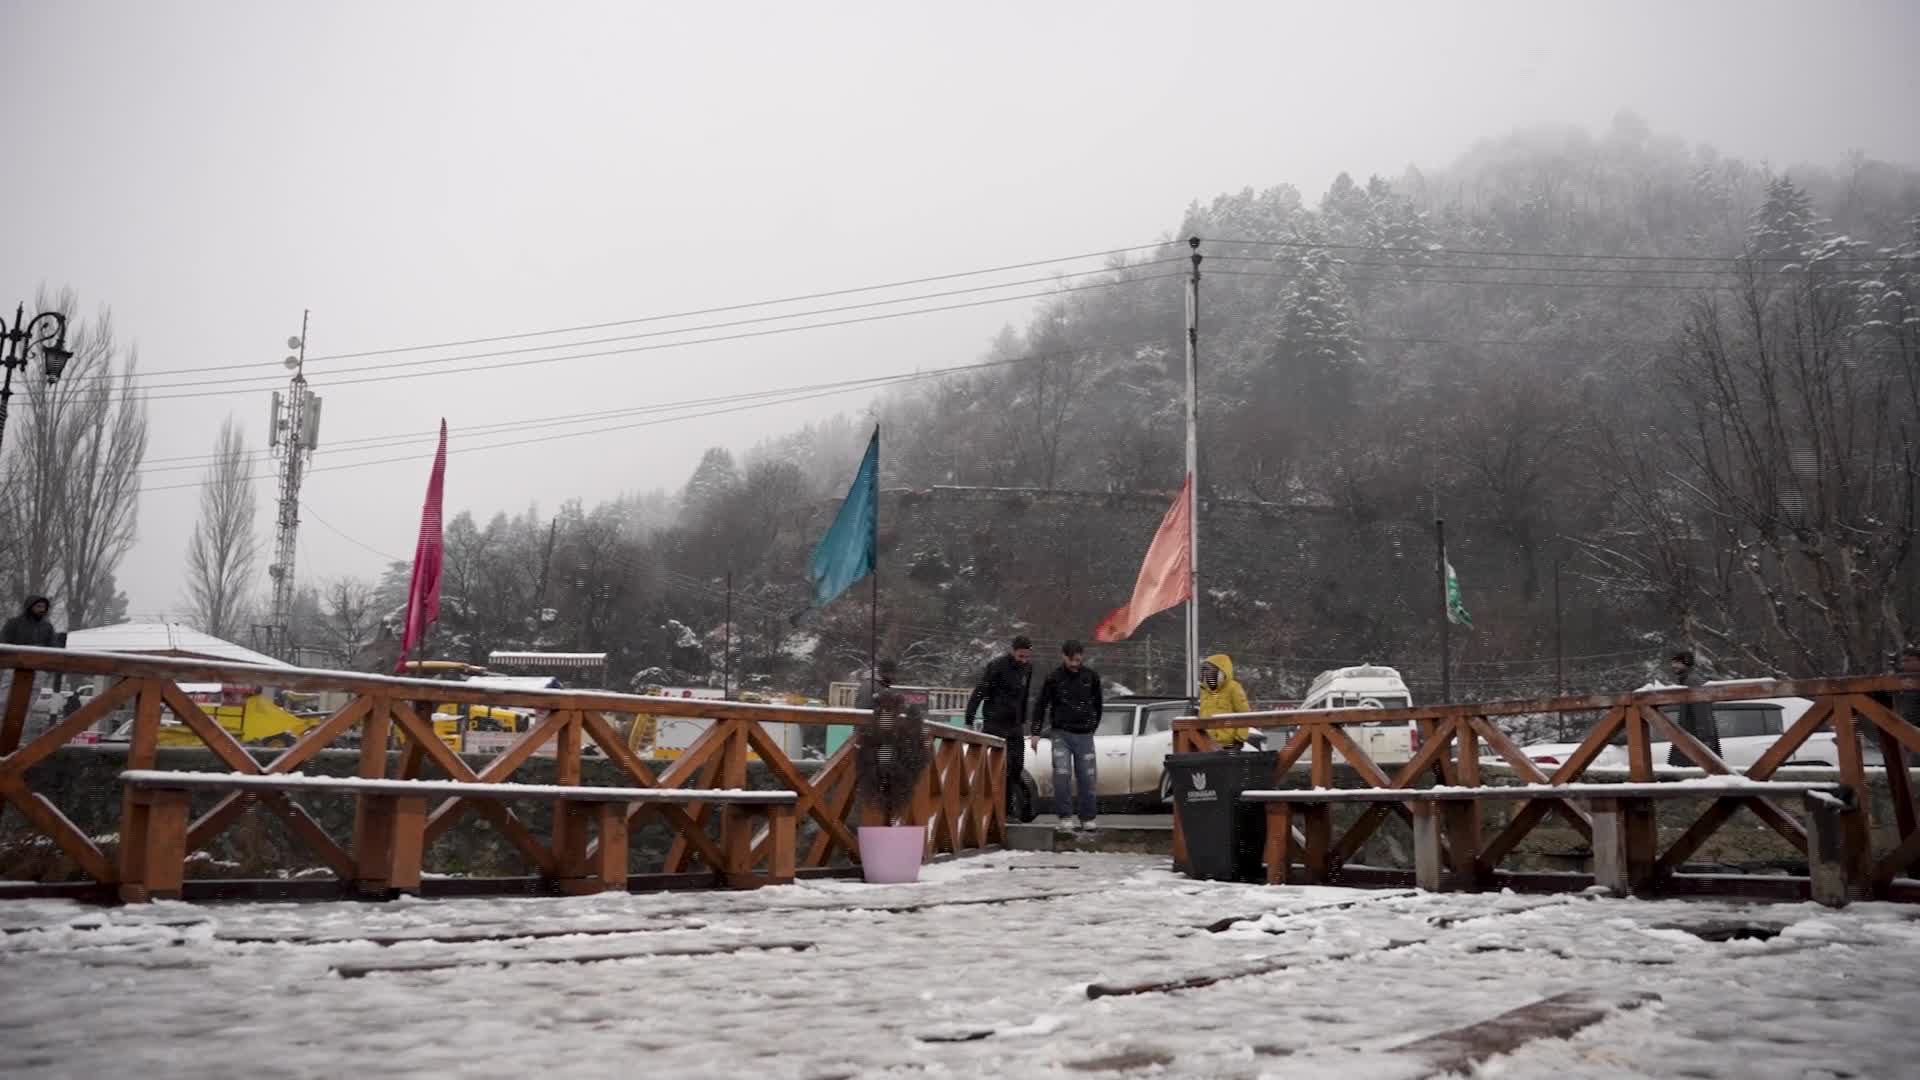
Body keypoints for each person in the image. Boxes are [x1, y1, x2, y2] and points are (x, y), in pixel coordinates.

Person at [1032, 640, 1103, 832]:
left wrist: (1091, 727)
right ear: (1063, 657)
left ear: (1082, 657)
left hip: (1084, 734)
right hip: (1061, 733)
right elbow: (1041, 705)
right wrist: (1036, 732)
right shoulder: (1054, 678)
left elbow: (1098, 705)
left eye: (1078, 661)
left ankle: (1088, 817)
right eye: (1071, 661)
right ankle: (1065, 817)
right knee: (1061, 775)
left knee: (1087, 777)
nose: (1074, 665)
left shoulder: (1091, 677)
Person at [967, 635, 1034, 815]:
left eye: (1027, 657)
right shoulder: (997, 666)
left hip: (1015, 725)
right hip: (995, 723)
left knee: (1016, 766)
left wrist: (1023, 719)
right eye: (1020, 656)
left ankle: (1007, 807)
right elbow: (980, 690)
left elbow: (1025, 695)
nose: (1023, 660)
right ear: (1012, 651)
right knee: (998, 768)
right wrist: (969, 718)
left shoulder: (1028, 668)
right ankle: (993, 808)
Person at [1666, 649, 1719, 766]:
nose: (1673, 666)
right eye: (1673, 663)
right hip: (1691, 736)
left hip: (1695, 737)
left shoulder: (1693, 681)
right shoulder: (1686, 680)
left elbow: (1702, 711)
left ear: (1686, 663)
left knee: (1694, 773)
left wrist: (1706, 740)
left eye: (1677, 663)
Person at [1198, 653, 1253, 749]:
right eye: (1204, 672)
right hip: (1206, 742)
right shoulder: (1204, 691)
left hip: (1228, 744)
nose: (1207, 676)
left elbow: (1244, 713)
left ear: (1222, 671)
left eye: (1210, 672)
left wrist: (1239, 739)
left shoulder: (1233, 688)